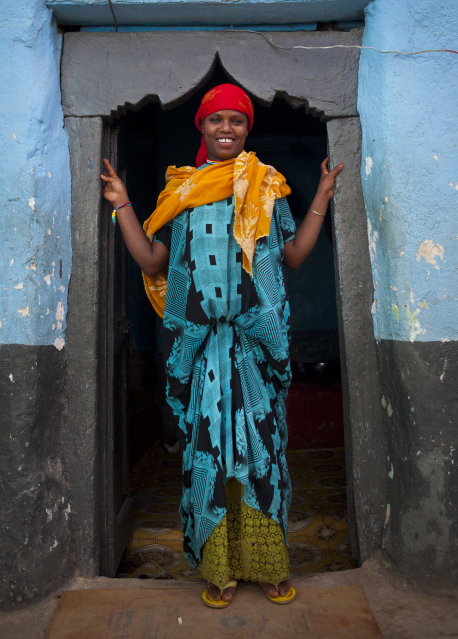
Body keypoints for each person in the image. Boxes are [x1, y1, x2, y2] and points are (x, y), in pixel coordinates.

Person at [101, 83, 343, 608]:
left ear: (247, 128)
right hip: (203, 350)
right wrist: (123, 204)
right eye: (216, 120)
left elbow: (295, 256)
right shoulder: (183, 194)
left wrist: (321, 196)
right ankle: (220, 568)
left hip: (257, 350)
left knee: (263, 456)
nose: (226, 129)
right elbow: (151, 261)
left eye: (236, 120)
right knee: (209, 455)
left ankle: (269, 563)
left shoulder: (268, 187)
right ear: (202, 128)